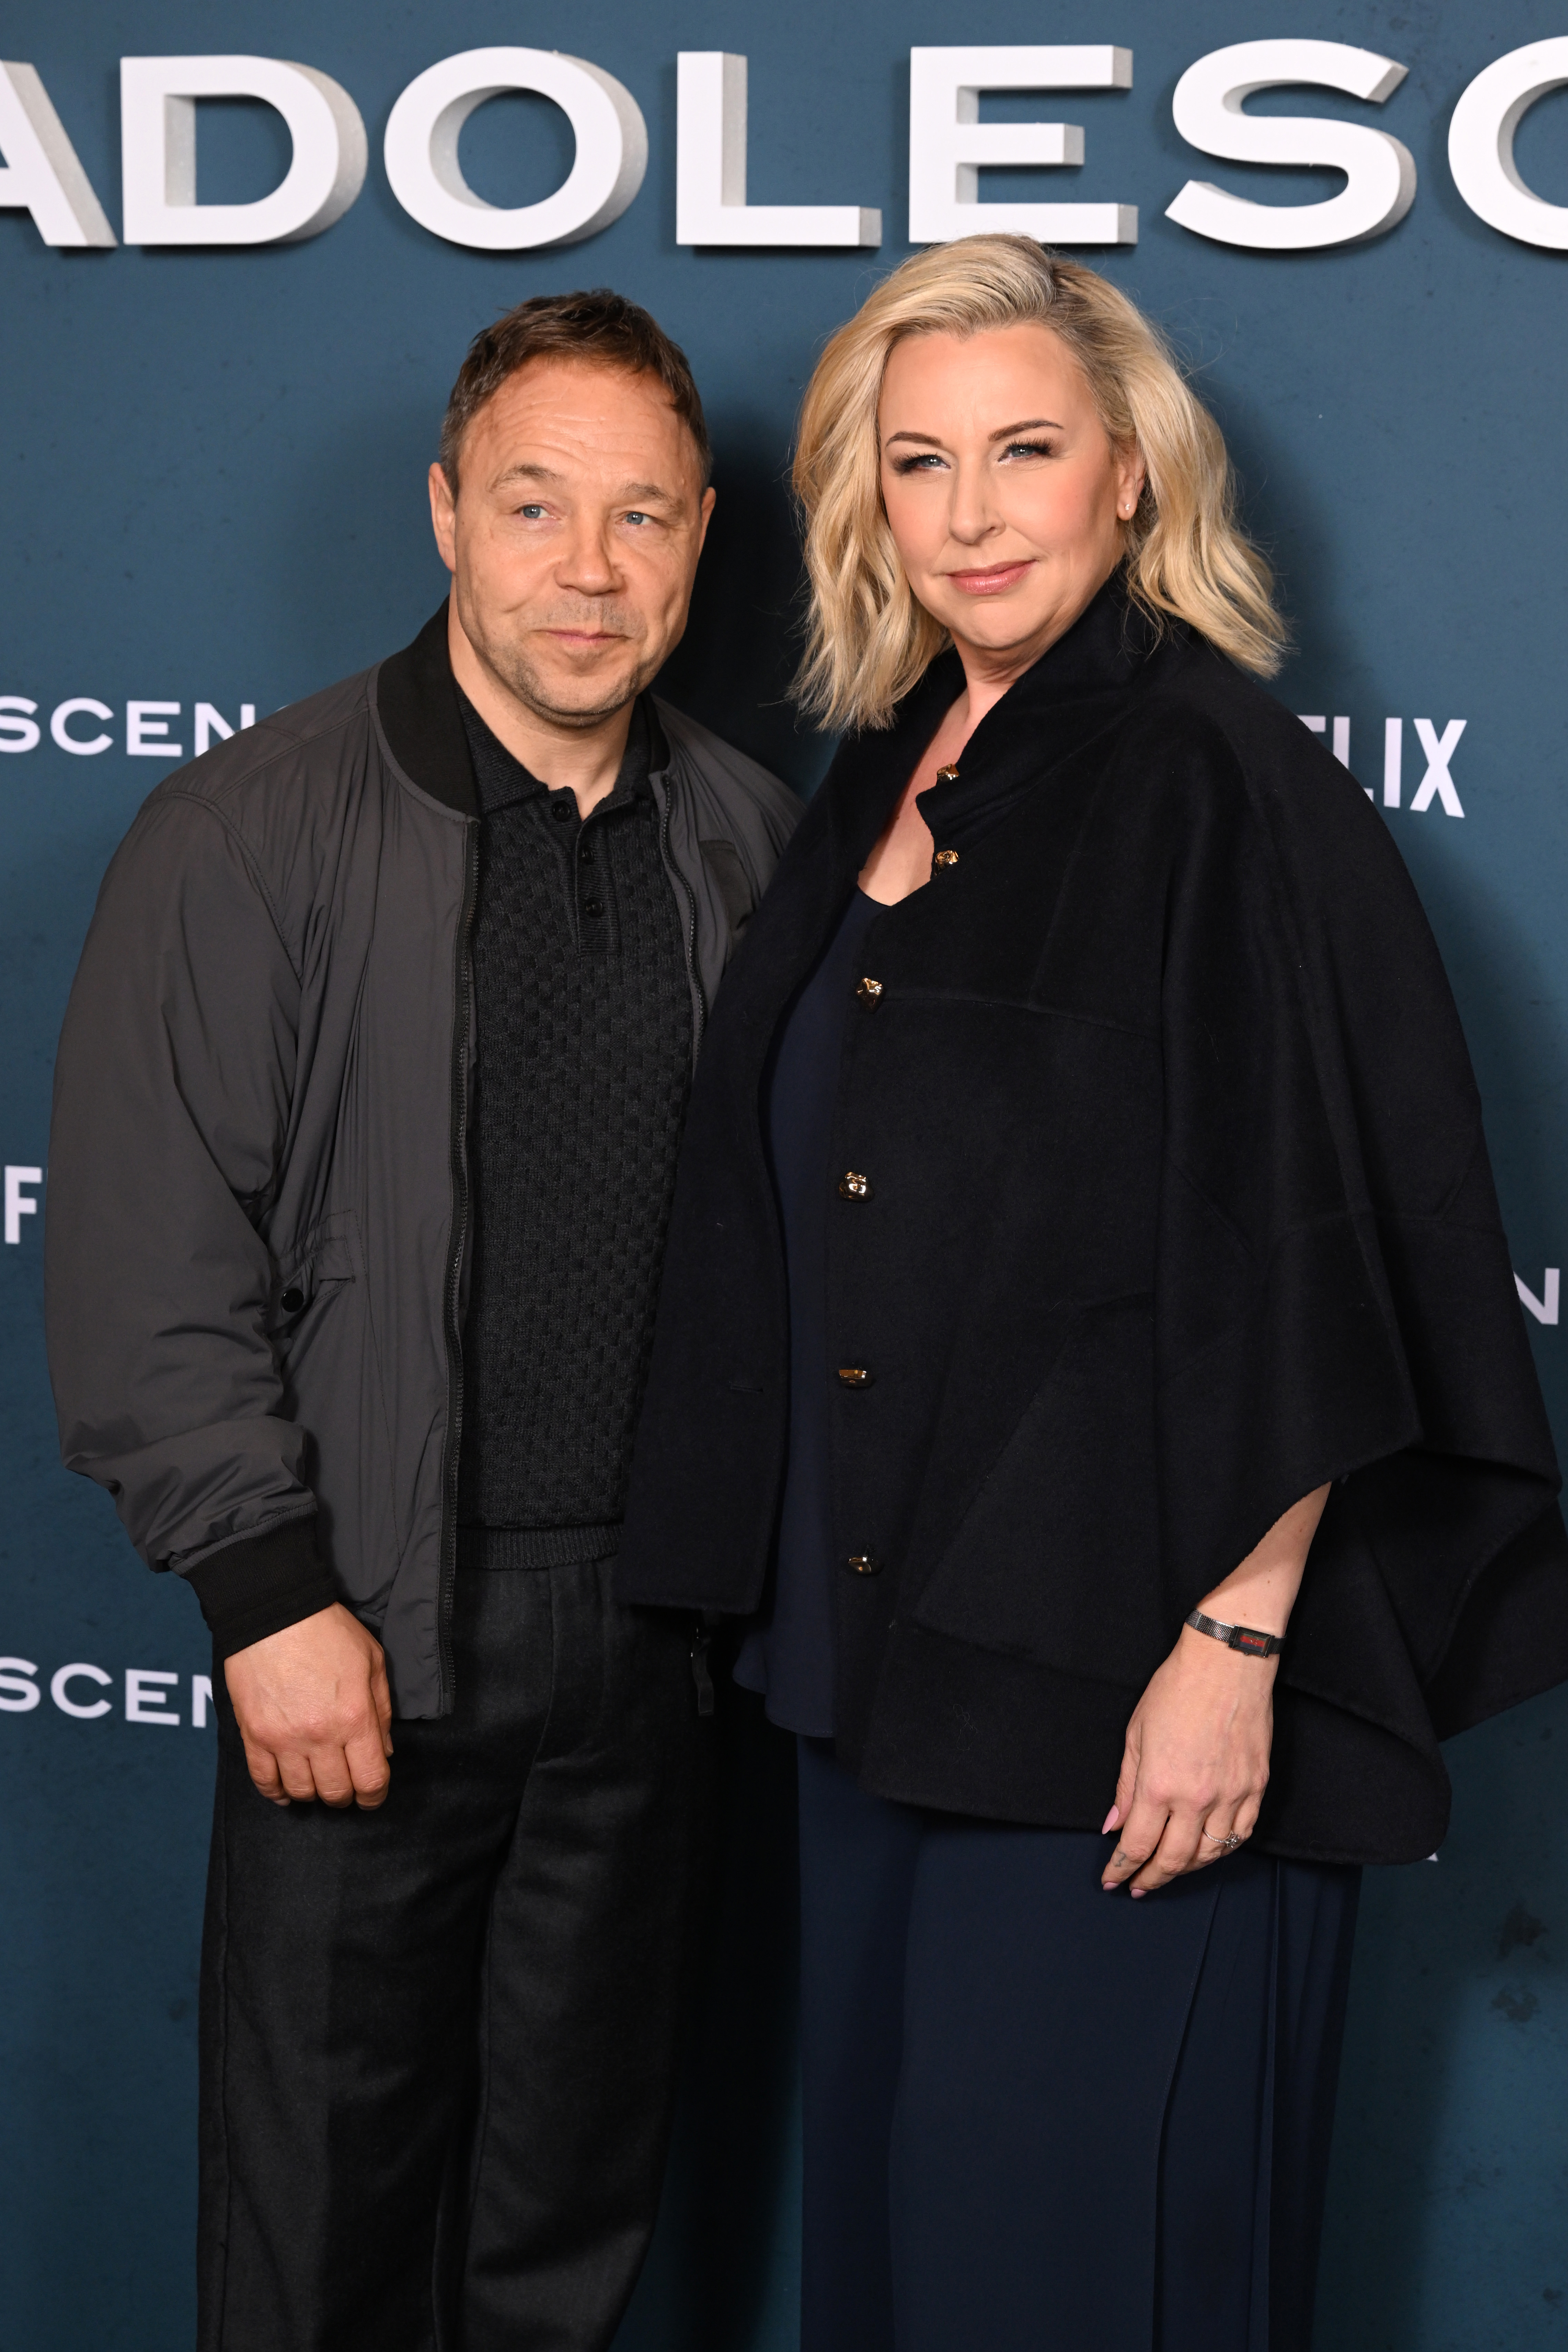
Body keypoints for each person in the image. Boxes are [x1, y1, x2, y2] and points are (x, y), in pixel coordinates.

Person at [614, 236, 1568, 2351]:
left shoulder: (1209, 777)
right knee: (900, 2271)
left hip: (1126, 1699)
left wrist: (1232, 1640)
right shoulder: (889, 762)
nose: (968, 512)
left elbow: (1314, 1235)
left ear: (1130, 474)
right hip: (876, 1674)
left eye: (1024, 450)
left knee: (1072, 2278)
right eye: (918, 458)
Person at [45, 288, 798, 2352]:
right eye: (536, 506)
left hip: (651, 1653)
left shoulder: (750, 838)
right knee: (321, 2247)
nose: (588, 569)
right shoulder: (246, 830)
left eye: (640, 516)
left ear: (701, 536)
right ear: (447, 514)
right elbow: (146, 1257)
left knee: (565, 2239)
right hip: (364, 1626)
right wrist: (270, 1593)